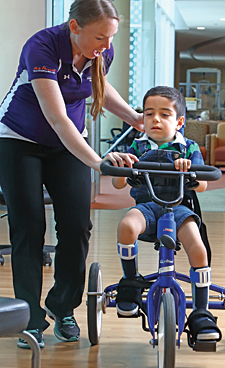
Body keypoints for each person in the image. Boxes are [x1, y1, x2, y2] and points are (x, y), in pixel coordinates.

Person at [0, 0, 141, 349]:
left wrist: (136, 118)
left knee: (78, 225)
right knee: (29, 227)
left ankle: (63, 307)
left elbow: (100, 89)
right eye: (100, 37)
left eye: (110, 38)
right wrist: (97, 162)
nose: (106, 46)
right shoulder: (42, 46)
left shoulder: (99, 51)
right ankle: (30, 318)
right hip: (20, 141)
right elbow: (58, 119)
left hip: (67, 146)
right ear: (75, 27)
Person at [112, 86, 221, 342]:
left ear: (179, 121)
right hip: (147, 208)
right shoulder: (136, 147)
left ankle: (201, 312)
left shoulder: (188, 147)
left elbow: (203, 185)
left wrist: (189, 170)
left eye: (164, 114)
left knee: (199, 247)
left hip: (180, 209)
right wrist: (120, 163)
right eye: (149, 114)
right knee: (126, 226)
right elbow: (118, 184)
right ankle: (131, 283)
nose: (155, 120)